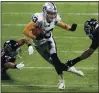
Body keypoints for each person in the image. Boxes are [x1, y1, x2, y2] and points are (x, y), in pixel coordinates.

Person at [23, 2, 83, 89]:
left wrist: (70, 29)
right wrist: (35, 37)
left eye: (54, 13)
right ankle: (71, 69)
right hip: (38, 45)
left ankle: (62, 81)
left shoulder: (55, 18)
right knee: (55, 64)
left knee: (55, 59)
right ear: (44, 11)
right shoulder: (39, 19)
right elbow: (25, 31)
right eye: (50, 13)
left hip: (49, 41)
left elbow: (63, 25)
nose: (53, 15)